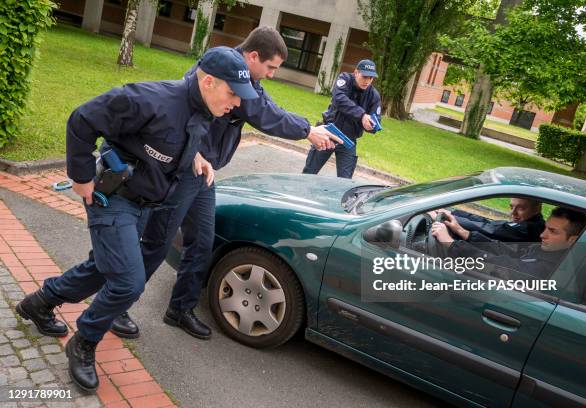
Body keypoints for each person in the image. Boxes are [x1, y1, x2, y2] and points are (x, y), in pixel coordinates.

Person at [15, 46, 257, 392]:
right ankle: (84, 340)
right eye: (233, 93)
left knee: (103, 268)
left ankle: (39, 303)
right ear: (208, 82)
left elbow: (169, 145)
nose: (237, 104)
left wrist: (195, 159)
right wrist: (80, 177)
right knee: (129, 281)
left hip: (144, 204)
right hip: (112, 198)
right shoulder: (149, 99)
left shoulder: (203, 111)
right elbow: (82, 120)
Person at [108, 26, 341, 340]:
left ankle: (180, 309)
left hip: (205, 173)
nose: (271, 74)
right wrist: (307, 132)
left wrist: (308, 127)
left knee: (202, 242)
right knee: (157, 242)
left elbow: (268, 106)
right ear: (253, 56)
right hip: (184, 167)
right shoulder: (224, 70)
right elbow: (263, 115)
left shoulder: (247, 76)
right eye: (270, 67)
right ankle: (116, 306)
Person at [431, 207, 586, 279]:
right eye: (546, 228)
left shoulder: (548, 268)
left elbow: (502, 264)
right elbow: (506, 250)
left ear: (573, 239)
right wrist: (463, 232)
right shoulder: (547, 250)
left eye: (553, 231)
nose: (542, 235)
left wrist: (450, 243)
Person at [302, 59, 381, 179]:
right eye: (364, 77)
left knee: (345, 181)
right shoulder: (345, 79)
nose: (367, 81)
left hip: (349, 140)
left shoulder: (374, 95)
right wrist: (362, 115)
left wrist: (371, 126)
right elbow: (339, 99)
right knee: (309, 173)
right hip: (328, 133)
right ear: (356, 73)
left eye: (371, 78)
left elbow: (376, 122)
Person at [428, 198, 545, 243]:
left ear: (537, 209)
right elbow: (488, 223)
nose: (513, 213)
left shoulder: (528, 229)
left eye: (521, 208)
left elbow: (489, 229)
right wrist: (453, 212)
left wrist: (449, 219)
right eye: (511, 207)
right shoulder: (530, 222)